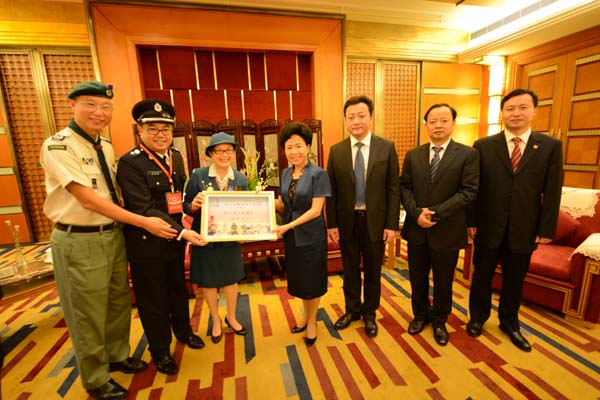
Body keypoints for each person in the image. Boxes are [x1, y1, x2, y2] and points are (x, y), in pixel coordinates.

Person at [40, 81, 179, 399]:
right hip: (80, 239)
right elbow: (88, 199)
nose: (99, 112)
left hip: (113, 235)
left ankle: (117, 356)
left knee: (118, 302)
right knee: (87, 312)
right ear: (72, 105)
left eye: (105, 107)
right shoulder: (59, 146)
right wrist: (144, 221)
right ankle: (95, 377)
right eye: (90, 104)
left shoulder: (104, 146)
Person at [467, 88, 563, 352]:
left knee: (514, 279)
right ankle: (477, 318)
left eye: (522, 108)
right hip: (487, 226)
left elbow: (552, 191)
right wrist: (470, 221)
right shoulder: (484, 146)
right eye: (510, 109)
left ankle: (509, 323)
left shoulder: (550, 147)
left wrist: (546, 228)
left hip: (525, 228)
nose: (516, 113)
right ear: (502, 113)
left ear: (534, 111)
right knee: (481, 276)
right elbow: (474, 188)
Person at [116, 99, 207, 375]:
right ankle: (160, 350)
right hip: (147, 244)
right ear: (140, 130)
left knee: (178, 289)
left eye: (165, 129)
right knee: (153, 299)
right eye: (153, 128)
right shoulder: (130, 163)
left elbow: (176, 198)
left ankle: (183, 331)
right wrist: (183, 232)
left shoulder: (176, 156)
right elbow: (142, 207)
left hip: (174, 241)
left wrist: (189, 215)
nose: (160, 134)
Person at [400, 103, 479, 346]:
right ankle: (419, 315)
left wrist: (435, 214)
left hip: (447, 229)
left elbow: (468, 191)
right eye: (433, 121)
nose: (438, 126)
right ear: (426, 125)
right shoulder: (414, 154)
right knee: (417, 277)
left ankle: (440, 320)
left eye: (444, 121)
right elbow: (405, 187)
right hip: (417, 228)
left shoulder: (467, 154)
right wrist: (416, 214)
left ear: (453, 123)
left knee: (444, 280)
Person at [326, 95, 401, 338]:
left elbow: (393, 189)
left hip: (375, 222)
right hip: (347, 222)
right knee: (349, 271)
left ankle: (370, 313)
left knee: (372, 271)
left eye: (361, 116)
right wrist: (332, 224)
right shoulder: (336, 151)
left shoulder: (386, 148)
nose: (356, 121)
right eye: (351, 117)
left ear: (371, 118)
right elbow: (332, 192)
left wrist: (391, 225)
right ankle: (352, 310)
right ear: (346, 120)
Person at [183, 132, 248, 344]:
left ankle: (231, 316)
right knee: (209, 282)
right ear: (210, 154)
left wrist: (247, 230)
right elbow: (186, 206)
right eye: (219, 151)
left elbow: (246, 210)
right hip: (206, 240)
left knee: (231, 280)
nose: (224, 155)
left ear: (233, 153)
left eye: (228, 150)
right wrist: (194, 205)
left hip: (230, 240)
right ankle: (216, 319)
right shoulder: (198, 176)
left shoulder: (240, 179)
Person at [274, 122, 331, 346]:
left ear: (308, 146)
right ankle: (305, 315)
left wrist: (288, 226)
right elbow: (283, 205)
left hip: (311, 236)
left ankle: (312, 321)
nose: (294, 151)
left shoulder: (319, 174)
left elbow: (316, 210)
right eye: (289, 147)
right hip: (292, 237)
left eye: (298, 146)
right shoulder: (285, 173)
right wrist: (260, 201)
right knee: (300, 280)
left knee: (312, 281)